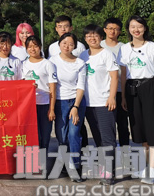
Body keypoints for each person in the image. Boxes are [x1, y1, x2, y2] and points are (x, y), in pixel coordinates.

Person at [118, 16, 154, 185]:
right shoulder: (124, 49)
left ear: (145, 28)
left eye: (139, 26)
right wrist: (123, 96)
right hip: (132, 91)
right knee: (141, 131)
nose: (136, 29)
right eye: (133, 26)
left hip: (151, 89)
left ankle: (153, 170)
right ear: (128, 29)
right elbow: (123, 75)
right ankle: (149, 166)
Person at [81, 24, 118, 186]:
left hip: (104, 102)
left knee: (107, 138)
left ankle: (109, 174)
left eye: (95, 35)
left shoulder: (107, 54)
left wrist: (112, 97)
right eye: (88, 35)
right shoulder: (83, 55)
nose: (92, 38)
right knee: (97, 138)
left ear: (101, 37)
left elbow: (114, 77)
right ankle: (104, 169)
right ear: (85, 38)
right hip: (88, 104)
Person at [49, 33, 86, 182]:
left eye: (71, 44)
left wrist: (76, 106)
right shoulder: (52, 61)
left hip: (76, 102)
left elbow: (81, 86)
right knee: (62, 136)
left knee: (73, 133)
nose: (67, 46)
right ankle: (65, 163)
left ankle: (74, 166)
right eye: (64, 43)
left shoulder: (80, 63)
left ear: (75, 46)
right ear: (59, 44)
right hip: (59, 102)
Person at [22, 36, 56, 150]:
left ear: (40, 47)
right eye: (29, 47)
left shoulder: (48, 64)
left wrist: (51, 109)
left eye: (35, 46)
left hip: (44, 103)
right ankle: (34, 159)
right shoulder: (23, 64)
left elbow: (52, 88)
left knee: (45, 137)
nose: (32, 49)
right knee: (33, 136)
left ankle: (43, 159)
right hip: (30, 105)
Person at [100, 17, 130, 148]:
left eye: (116, 29)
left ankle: (125, 152)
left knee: (122, 124)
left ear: (120, 31)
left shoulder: (124, 48)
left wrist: (124, 95)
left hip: (119, 90)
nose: (112, 31)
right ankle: (107, 151)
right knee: (106, 125)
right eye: (110, 28)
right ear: (104, 30)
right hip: (102, 93)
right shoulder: (99, 46)